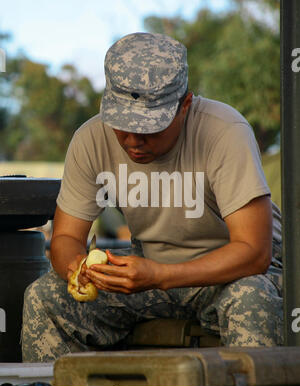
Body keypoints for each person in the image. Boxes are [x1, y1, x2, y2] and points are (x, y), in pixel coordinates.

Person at [22, 32, 283, 362]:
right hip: (148, 271)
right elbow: (64, 238)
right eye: (121, 124)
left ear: (184, 106)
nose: (133, 140)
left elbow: (254, 253)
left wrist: (160, 276)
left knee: (252, 299)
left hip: (232, 275)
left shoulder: (224, 130)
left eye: (149, 128)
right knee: (45, 297)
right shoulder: (90, 139)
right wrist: (79, 269)